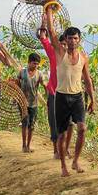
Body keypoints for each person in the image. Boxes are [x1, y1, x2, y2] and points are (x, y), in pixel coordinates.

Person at [54, 26, 95, 176]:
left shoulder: (83, 57)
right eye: (70, 38)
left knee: (82, 129)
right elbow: (52, 32)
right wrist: (48, 9)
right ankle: (63, 166)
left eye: (75, 38)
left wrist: (92, 99)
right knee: (62, 135)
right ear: (65, 39)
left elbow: (88, 79)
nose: (72, 41)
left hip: (77, 97)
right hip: (61, 97)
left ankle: (76, 161)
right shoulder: (60, 53)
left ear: (79, 40)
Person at [37, 8, 62, 159]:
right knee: (53, 121)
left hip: (67, 93)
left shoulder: (74, 57)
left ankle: (65, 149)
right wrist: (44, 22)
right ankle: (55, 150)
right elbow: (43, 36)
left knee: (67, 123)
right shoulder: (53, 53)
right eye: (62, 43)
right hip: (53, 92)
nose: (64, 46)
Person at [18, 52, 45, 153]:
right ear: (29, 62)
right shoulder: (22, 72)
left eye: (37, 64)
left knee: (31, 125)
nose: (35, 65)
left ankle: (28, 145)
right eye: (34, 63)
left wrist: (48, 93)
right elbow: (17, 83)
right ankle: (24, 145)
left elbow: (44, 84)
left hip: (34, 103)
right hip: (23, 102)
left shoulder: (39, 74)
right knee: (25, 123)